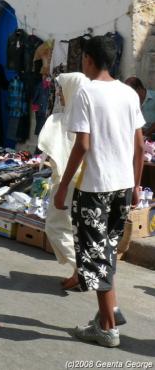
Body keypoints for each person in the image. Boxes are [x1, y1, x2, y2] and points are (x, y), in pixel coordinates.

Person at [53, 36, 145, 348]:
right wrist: (136, 184)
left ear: (89, 60)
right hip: (121, 184)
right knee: (107, 250)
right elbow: (140, 146)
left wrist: (64, 186)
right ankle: (110, 310)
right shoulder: (129, 93)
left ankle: (106, 328)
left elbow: (82, 145)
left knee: (96, 256)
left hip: (95, 187)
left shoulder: (86, 92)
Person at [37, 72, 89, 291]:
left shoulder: (70, 119)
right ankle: (80, 271)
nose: (59, 95)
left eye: (61, 90)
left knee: (55, 225)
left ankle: (83, 269)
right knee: (74, 228)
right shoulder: (84, 115)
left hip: (71, 181)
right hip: (86, 181)